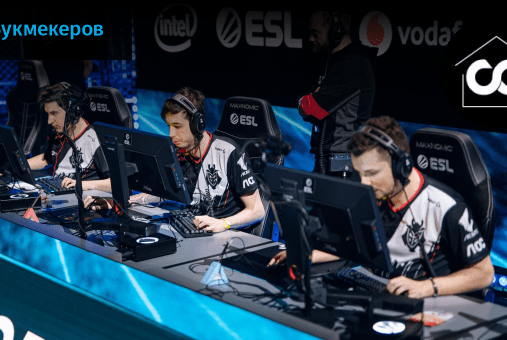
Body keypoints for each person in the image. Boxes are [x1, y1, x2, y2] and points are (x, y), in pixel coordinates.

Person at [270, 116, 495, 299]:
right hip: (373, 294)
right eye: (360, 173)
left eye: (372, 173)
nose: (364, 182)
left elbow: (484, 274)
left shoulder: (446, 207)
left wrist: (427, 287)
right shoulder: (373, 194)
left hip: (420, 304)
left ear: (400, 166)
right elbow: (353, 248)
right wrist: (306, 254)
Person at [130, 87, 265, 233]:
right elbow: (164, 193)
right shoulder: (177, 152)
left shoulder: (229, 153)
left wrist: (223, 223)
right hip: (190, 230)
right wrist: (131, 200)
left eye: (177, 126)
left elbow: (257, 211)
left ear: (197, 125)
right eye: (169, 126)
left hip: (225, 235)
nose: (171, 134)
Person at [298, 10, 377, 176]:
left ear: (337, 29)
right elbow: (311, 110)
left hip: (343, 161)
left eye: (315, 32)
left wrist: (308, 101)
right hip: (326, 158)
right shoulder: (333, 63)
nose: (310, 38)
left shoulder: (354, 64)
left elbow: (310, 108)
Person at [26, 82, 111, 192]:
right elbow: (47, 158)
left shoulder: (94, 139)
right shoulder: (59, 132)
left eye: (54, 113)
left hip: (78, 197)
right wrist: (21, 165)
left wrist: (81, 184)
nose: (49, 121)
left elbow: (115, 183)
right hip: (55, 192)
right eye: (48, 114)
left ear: (73, 111)